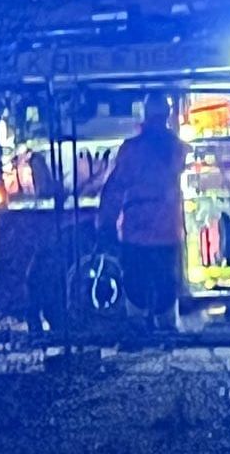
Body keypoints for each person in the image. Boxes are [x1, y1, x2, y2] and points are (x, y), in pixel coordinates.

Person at [97, 93, 187, 330]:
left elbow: (115, 188)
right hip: (168, 231)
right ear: (167, 115)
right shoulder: (176, 148)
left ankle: (138, 329)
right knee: (166, 284)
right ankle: (167, 328)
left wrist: (105, 223)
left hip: (137, 232)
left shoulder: (131, 150)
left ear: (145, 114)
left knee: (135, 284)